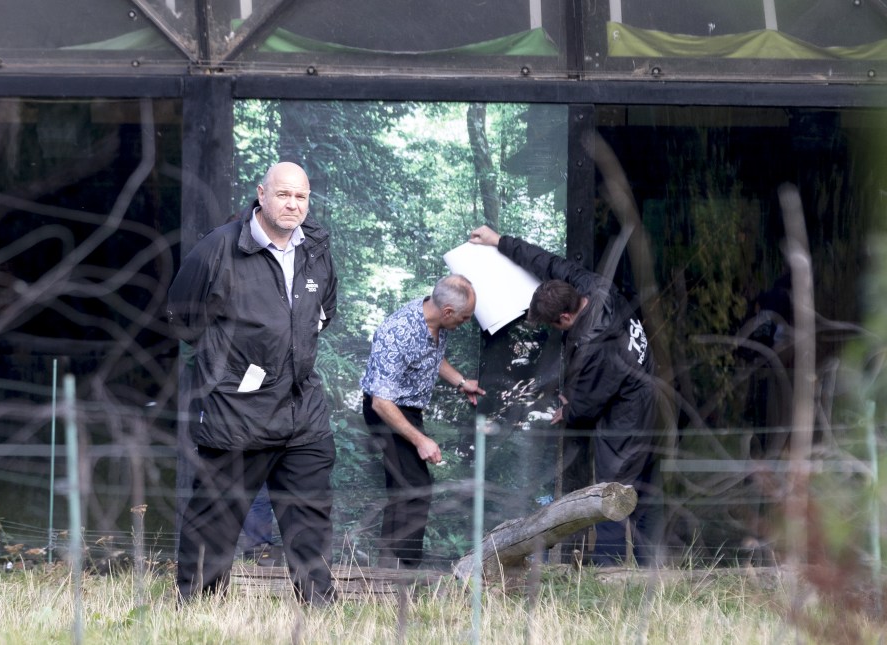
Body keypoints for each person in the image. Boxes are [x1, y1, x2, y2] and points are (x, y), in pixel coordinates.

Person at [167, 161, 338, 604]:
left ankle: (319, 609)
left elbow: (324, 311)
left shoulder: (315, 248)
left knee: (309, 518)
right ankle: (199, 607)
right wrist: (231, 368)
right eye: (284, 195)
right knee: (216, 518)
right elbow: (184, 318)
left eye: (301, 197)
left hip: (302, 407)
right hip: (235, 410)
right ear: (261, 194)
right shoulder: (219, 248)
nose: (293, 205)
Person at [469, 225, 658, 565]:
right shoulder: (596, 287)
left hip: (626, 415)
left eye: (554, 326)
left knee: (612, 490)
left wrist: (565, 411)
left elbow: (583, 407)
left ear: (567, 316)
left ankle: (609, 569)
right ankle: (650, 567)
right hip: (645, 390)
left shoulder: (593, 347)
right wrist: (500, 242)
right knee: (645, 483)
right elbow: (551, 264)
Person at [360, 275, 485, 569]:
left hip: (408, 410)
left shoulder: (435, 323)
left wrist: (461, 382)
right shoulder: (397, 331)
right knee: (415, 488)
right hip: (386, 411)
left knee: (406, 487)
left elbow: (431, 358)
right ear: (448, 312)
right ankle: (405, 567)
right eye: (465, 318)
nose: (466, 323)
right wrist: (421, 439)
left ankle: (389, 565)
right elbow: (380, 401)